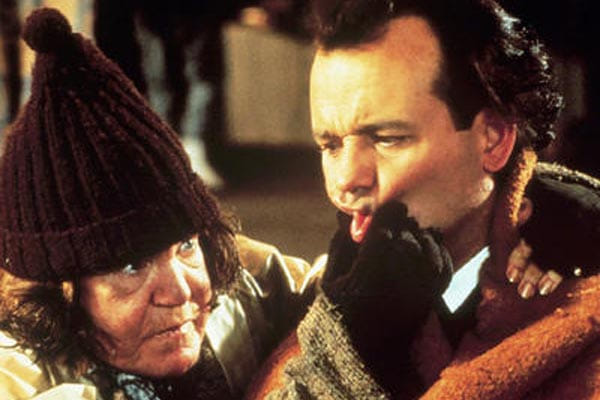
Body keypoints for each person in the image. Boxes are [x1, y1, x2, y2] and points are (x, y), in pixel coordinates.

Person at [248, 0, 600, 398]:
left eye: (388, 139)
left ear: (494, 139)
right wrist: (354, 348)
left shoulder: (577, 296)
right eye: (329, 145)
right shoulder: (316, 298)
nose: (345, 180)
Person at [0, 8, 315, 400]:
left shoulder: (241, 283)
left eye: (185, 245)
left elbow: (334, 289)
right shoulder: (16, 380)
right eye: (131, 267)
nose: (180, 291)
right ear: (58, 299)